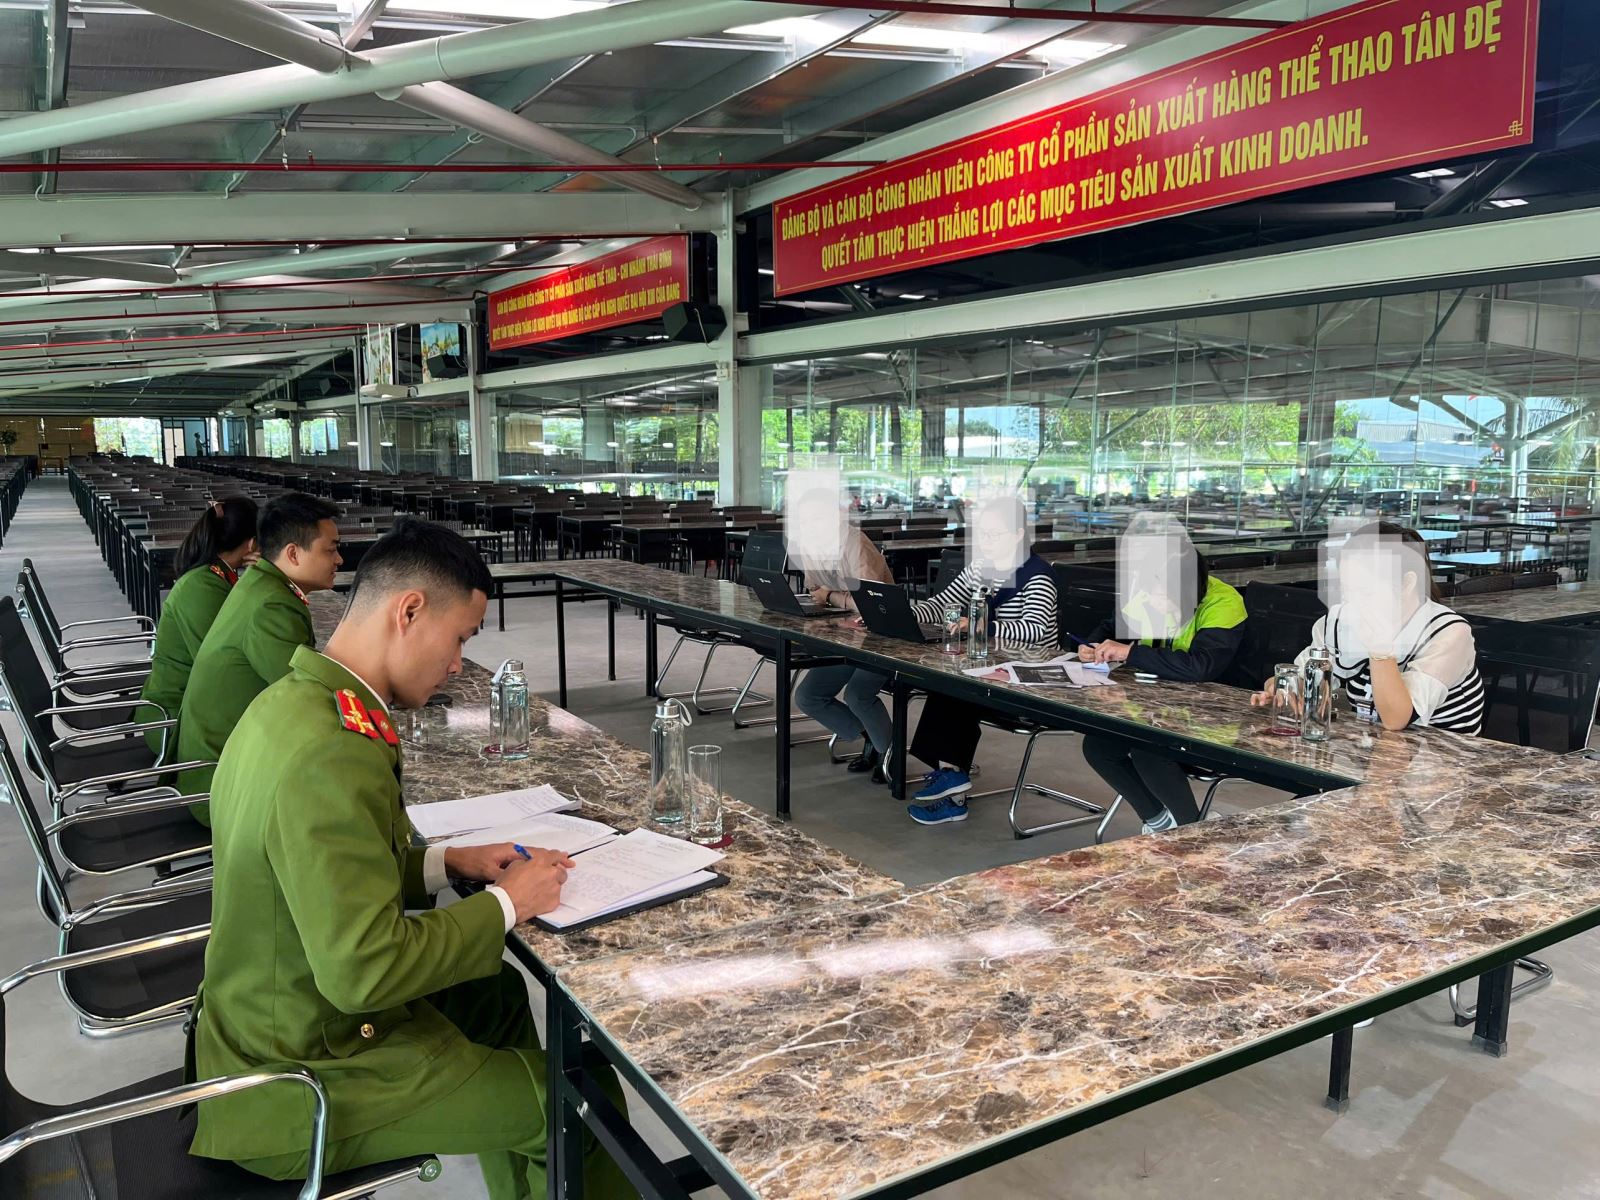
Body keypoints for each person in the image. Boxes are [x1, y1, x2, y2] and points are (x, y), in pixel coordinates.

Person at [187, 517, 631, 1200]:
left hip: (271, 1017)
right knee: (581, 1104)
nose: (457, 664)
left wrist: (448, 863)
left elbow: (322, 871)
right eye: (461, 639)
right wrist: (508, 903)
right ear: (410, 610)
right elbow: (364, 970)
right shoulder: (330, 751)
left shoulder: (293, 703)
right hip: (303, 1076)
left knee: (497, 995)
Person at [176, 492, 342, 820]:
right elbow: (308, 698)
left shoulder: (261, 582)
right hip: (225, 786)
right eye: (331, 549)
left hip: (223, 763)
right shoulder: (273, 605)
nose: (339, 560)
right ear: (293, 553)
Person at [904, 496, 1059, 825]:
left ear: (1018, 535)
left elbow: (1034, 630)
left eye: (994, 534)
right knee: (948, 683)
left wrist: (978, 625)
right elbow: (943, 603)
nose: (986, 542)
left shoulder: (1038, 576)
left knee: (960, 689)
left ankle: (952, 789)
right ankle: (950, 779)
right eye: (982, 535)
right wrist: (906, 613)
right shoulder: (981, 568)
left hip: (1029, 675)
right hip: (993, 668)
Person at [1076, 543, 1248, 833]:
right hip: (1161, 706)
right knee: (1098, 747)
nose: (1152, 600)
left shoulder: (1224, 603)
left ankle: (1192, 832)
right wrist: (1093, 646)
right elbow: (1112, 629)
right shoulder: (1150, 591)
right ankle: (1159, 822)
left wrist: (1130, 653)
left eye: (1161, 595)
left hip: (1217, 715)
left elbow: (1200, 667)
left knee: (1149, 750)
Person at [1252, 521, 1484, 734]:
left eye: (1365, 590)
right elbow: (1304, 675)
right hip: (1372, 746)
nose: (1352, 601)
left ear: (1407, 583)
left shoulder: (1448, 633)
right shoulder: (1339, 621)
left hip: (1445, 757)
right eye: (1346, 589)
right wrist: (1286, 688)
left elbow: (1396, 719)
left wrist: (1379, 650)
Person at [138, 496, 259, 755]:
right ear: (252, 544)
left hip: (192, 705)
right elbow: (222, 668)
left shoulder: (214, 575)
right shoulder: (201, 587)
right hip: (175, 719)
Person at [793, 523, 896, 781]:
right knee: (808, 696)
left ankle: (890, 756)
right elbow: (814, 590)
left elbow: (870, 601)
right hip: (843, 636)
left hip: (882, 637)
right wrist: (830, 596)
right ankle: (872, 737)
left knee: (857, 694)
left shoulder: (855, 544)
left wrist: (830, 595)